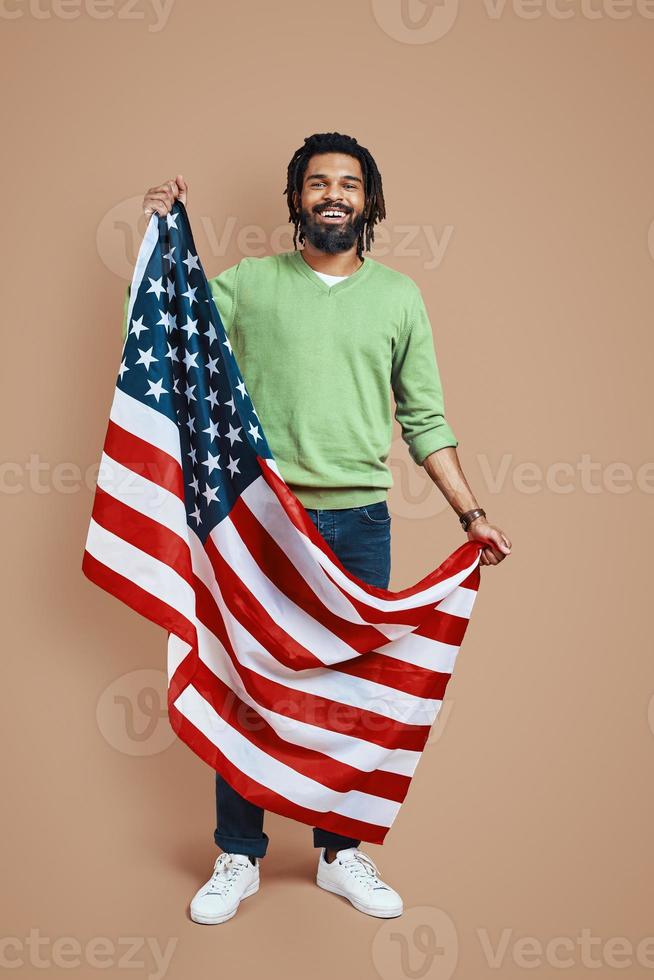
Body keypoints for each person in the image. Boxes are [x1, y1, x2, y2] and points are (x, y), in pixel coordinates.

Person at [133, 132, 512, 925]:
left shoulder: (400, 297)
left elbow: (427, 419)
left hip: (359, 522)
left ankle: (341, 854)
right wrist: (157, 232)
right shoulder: (251, 284)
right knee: (245, 681)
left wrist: (471, 515)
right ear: (296, 199)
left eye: (348, 184)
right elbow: (171, 331)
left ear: (369, 203)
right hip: (261, 519)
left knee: (351, 692)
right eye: (317, 183)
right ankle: (237, 853)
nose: (332, 194)